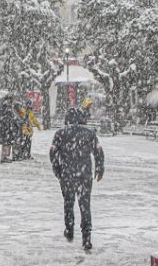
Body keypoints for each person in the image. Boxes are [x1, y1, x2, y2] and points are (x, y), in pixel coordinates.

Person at [50, 107, 105, 251]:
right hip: (84, 174)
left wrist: (57, 170)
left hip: (67, 174)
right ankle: (86, 236)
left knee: (68, 202)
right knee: (85, 205)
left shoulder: (60, 134)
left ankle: (69, 229)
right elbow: (98, 152)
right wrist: (99, 168)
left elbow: (53, 153)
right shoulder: (89, 133)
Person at [0, 95, 19, 163]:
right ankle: (4, 157)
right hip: (6, 128)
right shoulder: (7, 106)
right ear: (9, 99)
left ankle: (4, 157)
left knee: (6, 143)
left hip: (4, 127)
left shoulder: (5, 105)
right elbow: (11, 116)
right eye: (12, 99)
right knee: (6, 143)